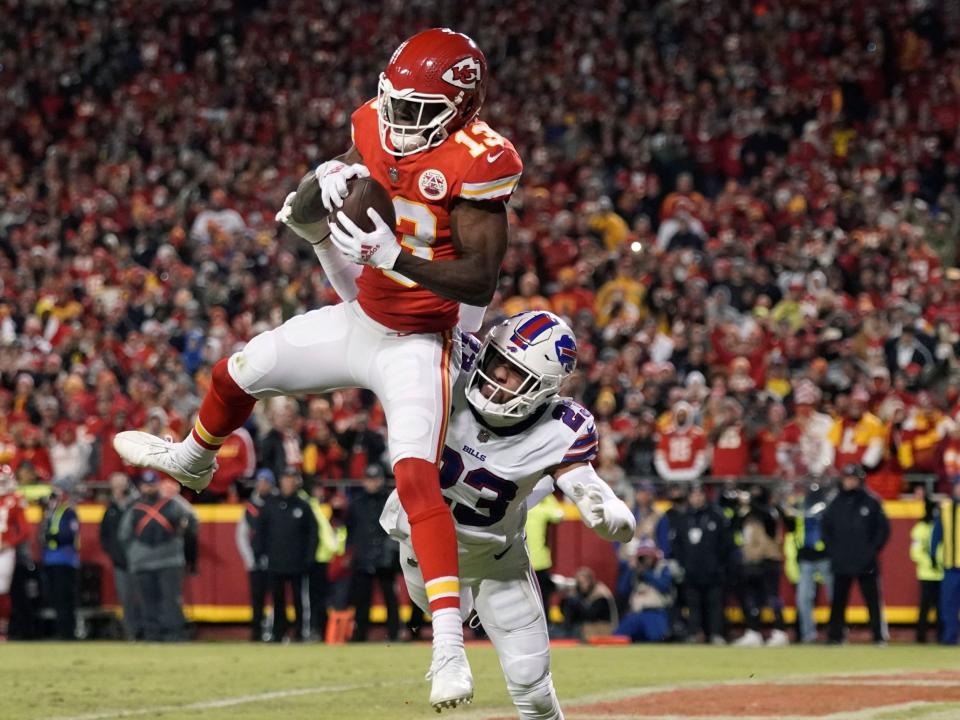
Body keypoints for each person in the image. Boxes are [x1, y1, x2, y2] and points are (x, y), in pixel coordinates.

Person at [114, 27, 523, 708]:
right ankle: (193, 457)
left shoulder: (481, 160)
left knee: (416, 477)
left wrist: (395, 259)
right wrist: (312, 202)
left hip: (423, 337)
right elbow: (350, 164)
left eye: (419, 109)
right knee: (239, 370)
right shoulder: (376, 120)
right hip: (363, 316)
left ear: (462, 106)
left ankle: (449, 648)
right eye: (395, 102)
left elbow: (479, 280)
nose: (398, 120)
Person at [381, 311, 634, 719]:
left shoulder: (561, 427)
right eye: (497, 359)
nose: (496, 374)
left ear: (544, 388)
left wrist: (603, 505)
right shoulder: (452, 365)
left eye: (513, 371)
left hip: (496, 560)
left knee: (532, 686)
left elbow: (580, 478)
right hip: (421, 546)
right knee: (445, 611)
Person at [119, 470, 197, 641]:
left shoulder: (172, 504)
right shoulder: (135, 507)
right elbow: (123, 534)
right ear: (140, 486)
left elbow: (192, 520)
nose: (149, 488)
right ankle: (154, 635)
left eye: (152, 484)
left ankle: (172, 635)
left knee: (169, 601)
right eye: (146, 485)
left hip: (167, 561)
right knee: (150, 601)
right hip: (149, 562)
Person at [823, 464, 890, 645]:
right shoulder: (835, 503)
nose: (849, 482)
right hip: (841, 560)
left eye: (852, 479)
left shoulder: (871, 501)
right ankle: (835, 636)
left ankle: (878, 635)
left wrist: (871, 550)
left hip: (865, 561)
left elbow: (882, 530)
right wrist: (834, 552)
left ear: (860, 480)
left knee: (873, 600)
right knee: (838, 601)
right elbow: (826, 530)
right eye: (846, 478)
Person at [256, 468, 317, 643]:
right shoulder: (271, 505)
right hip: (275, 561)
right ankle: (277, 632)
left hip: (298, 562)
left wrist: (309, 557)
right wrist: (260, 554)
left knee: (299, 600)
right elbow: (260, 531)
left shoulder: (303, 505)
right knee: (277, 600)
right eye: (285, 478)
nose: (288, 482)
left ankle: (300, 633)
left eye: (291, 479)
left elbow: (313, 533)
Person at [673, 483, 732, 645]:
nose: (697, 498)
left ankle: (716, 634)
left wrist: (720, 565)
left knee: (715, 604)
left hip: (713, 571)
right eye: (694, 495)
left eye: (700, 494)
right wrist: (683, 565)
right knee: (693, 605)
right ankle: (695, 633)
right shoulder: (683, 518)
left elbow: (726, 544)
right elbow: (677, 545)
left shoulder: (716, 516)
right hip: (691, 571)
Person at [346, 465, 400, 642]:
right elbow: (350, 530)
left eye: (376, 479)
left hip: (385, 557)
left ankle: (394, 634)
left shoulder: (389, 501)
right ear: (364, 481)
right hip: (363, 556)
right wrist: (351, 553)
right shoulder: (356, 504)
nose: (373, 483)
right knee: (362, 600)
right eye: (370, 479)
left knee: (390, 599)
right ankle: (360, 635)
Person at [732, 485, 788, 647]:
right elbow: (734, 524)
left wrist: (750, 501)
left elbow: (768, 518)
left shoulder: (771, 512)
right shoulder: (747, 514)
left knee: (773, 598)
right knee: (751, 599)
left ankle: (779, 631)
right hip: (750, 561)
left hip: (769, 560)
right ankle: (753, 631)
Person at [783, 480, 834, 644]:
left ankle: (836, 632)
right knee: (803, 599)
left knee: (835, 596)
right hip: (806, 557)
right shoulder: (799, 506)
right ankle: (808, 635)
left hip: (825, 556)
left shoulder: (827, 507)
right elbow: (791, 524)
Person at [98, 472, 143, 640]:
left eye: (120, 485)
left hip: (139, 560)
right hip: (120, 562)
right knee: (126, 600)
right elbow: (104, 536)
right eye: (114, 486)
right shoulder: (111, 509)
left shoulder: (137, 506)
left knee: (143, 597)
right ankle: (131, 633)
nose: (117, 489)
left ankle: (147, 631)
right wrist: (114, 555)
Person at [235, 468, 277, 641]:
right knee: (257, 600)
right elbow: (241, 535)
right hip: (257, 559)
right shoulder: (250, 508)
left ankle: (275, 630)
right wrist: (249, 559)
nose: (263, 485)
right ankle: (257, 632)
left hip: (275, 560)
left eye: (266, 482)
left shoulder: (277, 504)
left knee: (277, 599)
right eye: (260, 481)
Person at [40, 477, 80, 640]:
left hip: (65, 560)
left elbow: (68, 534)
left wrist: (52, 537)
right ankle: (61, 630)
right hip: (51, 559)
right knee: (56, 598)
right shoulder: (50, 513)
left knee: (65, 598)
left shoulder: (68, 512)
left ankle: (67, 632)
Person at [615, 539, 674, 643]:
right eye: (642, 557)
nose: (646, 560)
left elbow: (664, 587)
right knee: (617, 638)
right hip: (636, 613)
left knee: (657, 639)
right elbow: (622, 590)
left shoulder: (662, 568)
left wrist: (645, 574)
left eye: (648, 556)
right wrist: (630, 570)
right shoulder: (635, 571)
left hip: (655, 612)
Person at [525, 489, 565, 618]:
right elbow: (559, 515)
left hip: (519, 559)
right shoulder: (542, 509)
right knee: (542, 597)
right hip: (539, 560)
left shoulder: (518, 507)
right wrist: (547, 495)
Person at [307, 480, 339, 642]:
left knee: (323, 599)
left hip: (326, 558)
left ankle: (322, 631)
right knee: (316, 599)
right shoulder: (312, 506)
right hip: (316, 558)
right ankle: (316, 629)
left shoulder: (323, 507)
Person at [0, 465, 29, 640]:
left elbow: (25, 531)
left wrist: (8, 543)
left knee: (2, 590)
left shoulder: (15, 500)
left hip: (4, 551)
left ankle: (2, 629)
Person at [910, 493, 942, 643]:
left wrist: (940, 562)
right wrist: (931, 562)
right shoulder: (920, 528)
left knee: (942, 607)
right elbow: (915, 551)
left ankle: (942, 635)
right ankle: (921, 636)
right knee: (925, 607)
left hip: (942, 573)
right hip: (926, 573)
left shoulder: (942, 526)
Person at [931, 482, 960, 644]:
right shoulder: (946, 508)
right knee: (948, 606)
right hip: (951, 567)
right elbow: (936, 534)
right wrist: (933, 555)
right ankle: (950, 638)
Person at [558, 567, 617, 640]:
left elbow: (591, 615)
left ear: (591, 581)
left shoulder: (600, 594)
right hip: (583, 629)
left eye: (584, 582)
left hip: (600, 630)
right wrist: (565, 599)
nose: (582, 586)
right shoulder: (578, 594)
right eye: (579, 583)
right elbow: (566, 614)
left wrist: (576, 601)